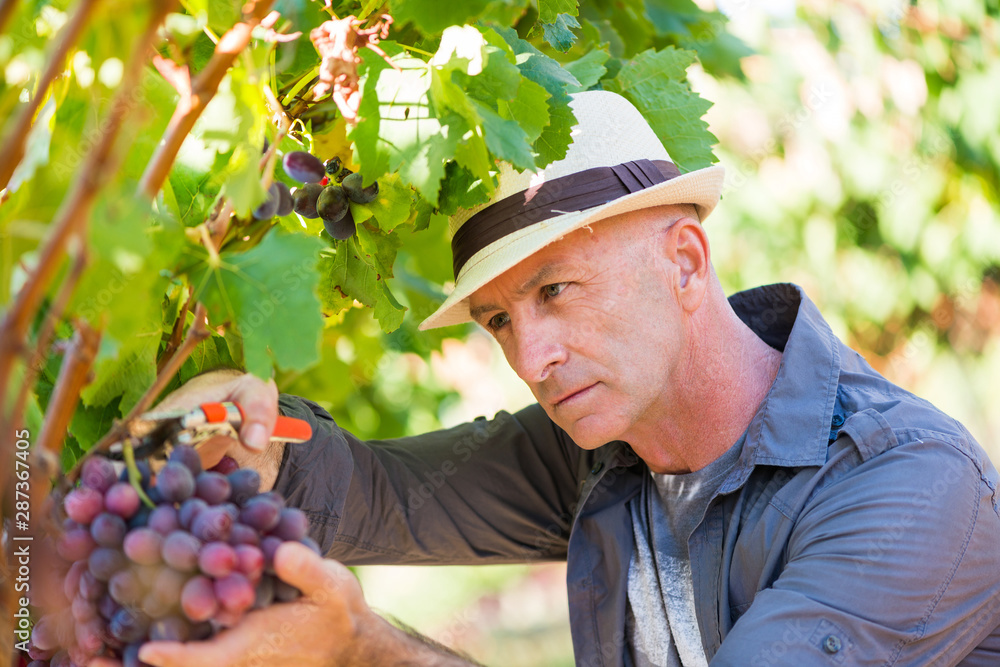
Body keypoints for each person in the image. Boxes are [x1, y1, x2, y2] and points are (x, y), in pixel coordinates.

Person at [132, 91, 1000, 667]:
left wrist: (364, 647)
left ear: (686, 262)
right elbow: (378, 494)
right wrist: (256, 449)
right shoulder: (607, 443)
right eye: (502, 318)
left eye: (556, 290)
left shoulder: (910, 490)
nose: (531, 358)